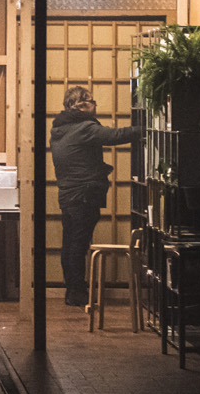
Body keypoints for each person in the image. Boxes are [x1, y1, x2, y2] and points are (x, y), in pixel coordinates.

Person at [51, 85, 139, 306]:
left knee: (70, 243)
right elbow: (116, 135)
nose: (95, 105)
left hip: (67, 193)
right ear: (81, 105)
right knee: (79, 244)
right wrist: (144, 129)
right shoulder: (84, 128)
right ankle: (77, 292)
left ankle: (72, 290)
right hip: (85, 193)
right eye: (92, 101)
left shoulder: (59, 129)